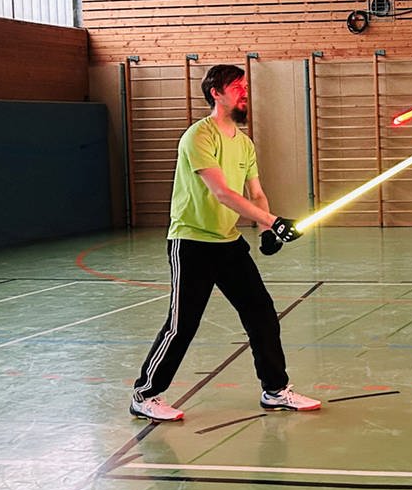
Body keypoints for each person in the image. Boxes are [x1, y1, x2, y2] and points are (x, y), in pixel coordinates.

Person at [129, 64, 317, 422]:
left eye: (245, 86)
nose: (244, 92)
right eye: (237, 86)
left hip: (228, 243)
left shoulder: (244, 144)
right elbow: (222, 193)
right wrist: (274, 222)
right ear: (215, 92)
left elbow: (256, 193)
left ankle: (275, 390)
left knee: (261, 313)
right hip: (192, 242)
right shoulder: (198, 136)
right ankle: (145, 394)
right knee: (182, 324)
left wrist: (265, 231)